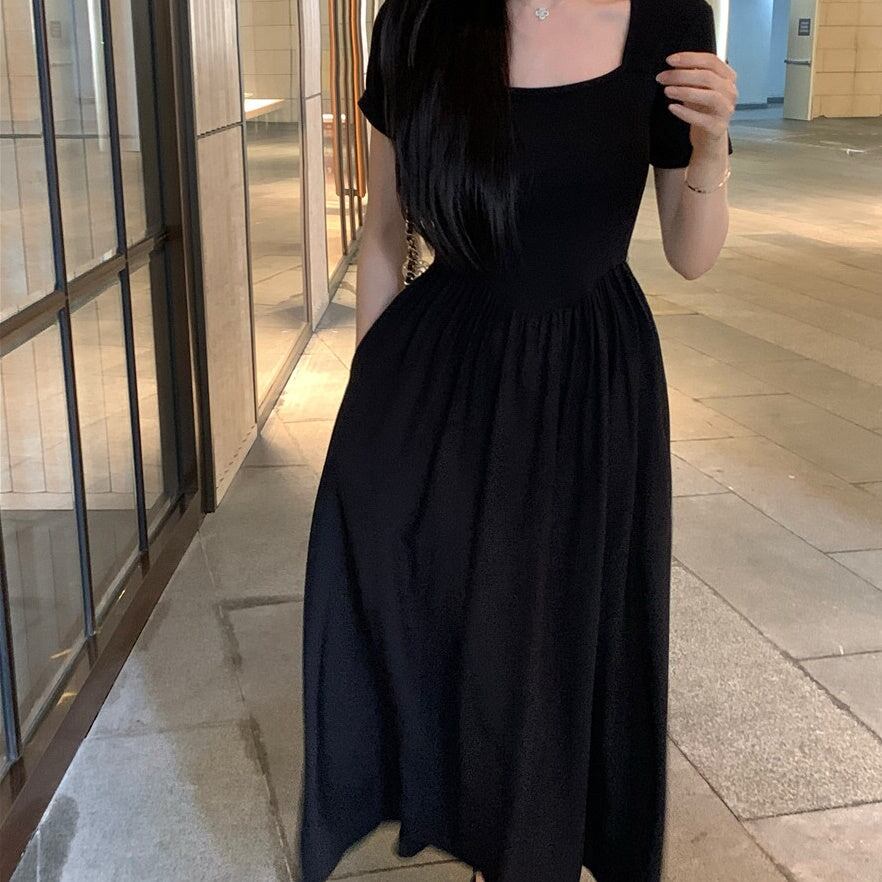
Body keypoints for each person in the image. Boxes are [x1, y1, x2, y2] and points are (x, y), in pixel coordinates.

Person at [298, 0, 736, 880]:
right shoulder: (417, 18)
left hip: (590, 381)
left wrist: (711, 151)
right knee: (446, 614)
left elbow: (690, 256)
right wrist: (370, 407)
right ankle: (460, 812)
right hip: (443, 372)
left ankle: (534, 844)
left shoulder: (667, 17)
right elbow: (384, 233)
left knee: (559, 635)